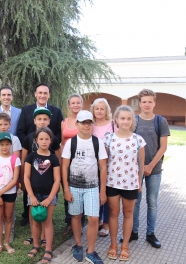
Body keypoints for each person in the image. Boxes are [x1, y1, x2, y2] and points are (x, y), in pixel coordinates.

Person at [61, 110, 107, 264]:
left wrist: (103, 191)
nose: (86, 125)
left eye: (89, 122)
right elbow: (64, 167)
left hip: (92, 187)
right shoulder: (70, 143)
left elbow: (103, 167)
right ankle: (78, 244)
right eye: (83, 122)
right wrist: (66, 189)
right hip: (74, 187)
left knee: (93, 218)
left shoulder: (97, 142)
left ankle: (91, 251)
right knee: (76, 216)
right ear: (77, 124)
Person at [126, 89, 170, 248]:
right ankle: (133, 231)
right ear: (139, 103)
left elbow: (163, 147)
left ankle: (150, 233)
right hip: (135, 169)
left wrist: (150, 166)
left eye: (150, 101)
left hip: (154, 169)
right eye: (144, 101)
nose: (146, 104)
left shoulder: (160, 121)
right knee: (135, 201)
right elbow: (130, 144)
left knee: (152, 202)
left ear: (154, 103)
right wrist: (139, 166)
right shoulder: (134, 121)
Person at [104, 105, 145, 261]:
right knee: (114, 214)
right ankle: (113, 244)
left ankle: (125, 246)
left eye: (129, 118)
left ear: (132, 121)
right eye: (122, 118)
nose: (125, 121)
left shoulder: (138, 140)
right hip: (112, 183)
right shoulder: (109, 138)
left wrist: (139, 183)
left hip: (130, 183)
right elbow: (104, 162)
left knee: (128, 214)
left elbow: (140, 164)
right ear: (116, 120)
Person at [20, 107, 61, 245]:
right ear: (34, 120)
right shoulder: (28, 138)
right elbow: (24, 158)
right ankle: (34, 236)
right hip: (32, 182)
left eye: (45, 119)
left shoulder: (53, 139)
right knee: (34, 210)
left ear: (49, 121)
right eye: (39, 119)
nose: (42, 122)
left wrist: (58, 182)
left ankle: (44, 236)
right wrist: (22, 179)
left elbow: (58, 158)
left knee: (45, 214)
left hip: (48, 180)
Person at [24, 127, 61, 264]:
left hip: (48, 195)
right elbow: (26, 177)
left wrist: (50, 198)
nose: (44, 141)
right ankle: (36, 245)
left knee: (47, 222)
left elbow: (57, 180)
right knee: (35, 221)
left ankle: (48, 249)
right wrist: (31, 196)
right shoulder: (31, 156)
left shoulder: (53, 158)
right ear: (36, 140)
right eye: (41, 139)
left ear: (51, 140)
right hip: (34, 195)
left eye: (47, 139)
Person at [0, 113, 22, 242]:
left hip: (10, 179)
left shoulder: (15, 139)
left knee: (9, 208)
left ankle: (9, 231)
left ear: (10, 125)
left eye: (5, 124)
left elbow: (16, 158)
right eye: (0, 124)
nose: (3, 127)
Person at [0, 132, 21, 258]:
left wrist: (0, 193)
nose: (4, 147)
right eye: (2, 144)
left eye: (7, 144)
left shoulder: (15, 159)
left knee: (8, 218)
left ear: (10, 145)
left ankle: (7, 242)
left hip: (9, 193)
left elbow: (14, 180)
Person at [90, 98, 117, 237]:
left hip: (109, 165)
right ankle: (98, 219)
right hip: (93, 166)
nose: (99, 111)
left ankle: (106, 223)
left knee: (105, 193)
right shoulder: (90, 124)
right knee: (95, 193)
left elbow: (119, 142)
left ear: (107, 110)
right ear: (93, 110)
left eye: (102, 108)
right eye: (97, 108)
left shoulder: (113, 125)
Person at [60, 93, 83, 235]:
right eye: (73, 103)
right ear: (69, 105)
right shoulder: (65, 122)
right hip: (67, 161)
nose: (75, 105)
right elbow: (63, 142)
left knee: (80, 191)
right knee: (67, 190)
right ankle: (69, 222)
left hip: (81, 161)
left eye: (78, 102)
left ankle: (80, 221)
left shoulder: (86, 120)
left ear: (81, 104)